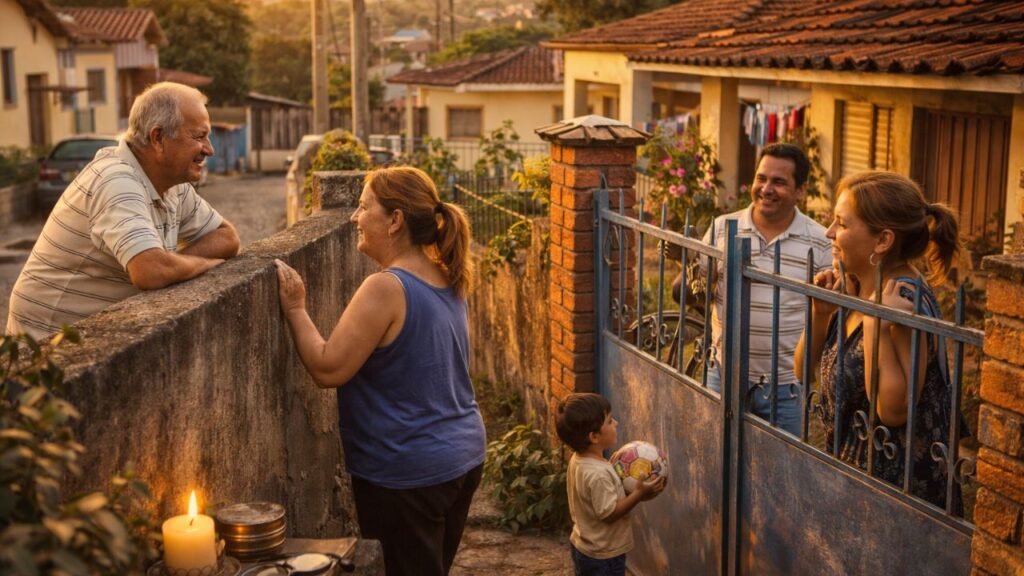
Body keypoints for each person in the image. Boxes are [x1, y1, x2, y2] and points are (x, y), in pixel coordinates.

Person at [274, 166, 486, 576]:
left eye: (363, 206)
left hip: (410, 472)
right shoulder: (446, 275)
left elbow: (328, 367)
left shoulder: (386, 288)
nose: (354, 217)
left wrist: (296, 307)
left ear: (395, 220)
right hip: (462, 455)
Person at [6, 82, 239, 339]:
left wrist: (174, 264)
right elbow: (151, 272)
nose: (209, 149)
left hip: (88, 339)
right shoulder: (116, 180)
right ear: (158, 138)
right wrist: (199, 264)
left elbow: (227, 237)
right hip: (46, 346)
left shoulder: (171, 184)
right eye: (198, 136)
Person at [796, 171, 965, 511]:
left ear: (882, 241)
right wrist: (821, 313)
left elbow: (892, 411)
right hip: (853, 483)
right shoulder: (858, 287)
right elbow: (801, 372)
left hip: (897, 501)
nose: (829, 232)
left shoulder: (904, 302)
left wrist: (875, 326)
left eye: (841, 225)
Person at [693, 143, 831, 435]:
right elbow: (699, 293)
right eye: (761, 178)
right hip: (724, 373)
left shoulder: (820, 242)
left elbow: (829, 314)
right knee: (715, 457)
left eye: (779, 182)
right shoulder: (722, 228)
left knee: (780, 473)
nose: (766, 188)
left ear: (800, 190)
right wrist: (695, 277)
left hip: (786, 387)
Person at [555, 393, 666, 576]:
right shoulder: (598, 474)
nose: (616, 423)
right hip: (603, 556)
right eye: (609, 421)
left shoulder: (579, 459)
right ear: (594, 437)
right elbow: (609, 514)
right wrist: (637, 494)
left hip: (585, 546)